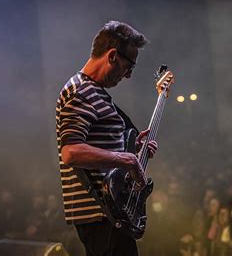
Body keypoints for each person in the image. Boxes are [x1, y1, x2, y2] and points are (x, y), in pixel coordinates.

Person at [56, 21, 158, 256]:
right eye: (129, 65)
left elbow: (101, 147)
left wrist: (134, 147)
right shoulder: (81, 91)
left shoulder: (96, 93)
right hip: (100, 212)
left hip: (110, 213)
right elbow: (71, 152)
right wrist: (126, 159)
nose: (129, 75)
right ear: (112, 56)